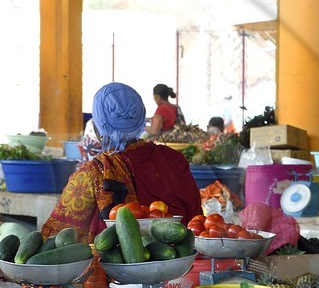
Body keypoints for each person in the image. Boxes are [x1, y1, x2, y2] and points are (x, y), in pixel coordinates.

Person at [42, 82, 201, 242]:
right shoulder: (174, 159)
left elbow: (56, 241)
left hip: (113, 266)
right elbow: (198, 224)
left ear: (99, 125)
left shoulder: (92, 173)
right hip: (180, 262)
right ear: (140, 118)